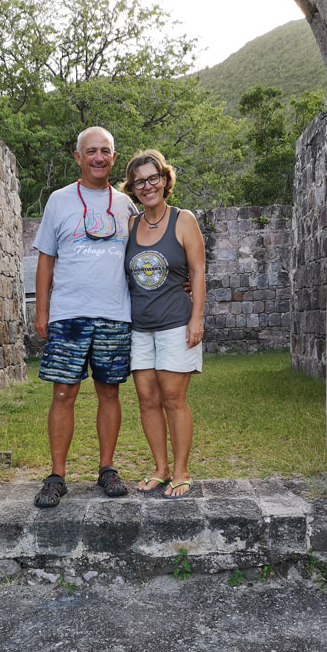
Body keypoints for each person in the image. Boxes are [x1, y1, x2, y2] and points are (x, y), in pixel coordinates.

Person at [32, 126, 138, 507]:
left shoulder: (127, 204)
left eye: (105, 151)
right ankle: (57, 475)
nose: (98, 157)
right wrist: (41, 309)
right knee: (63, 393)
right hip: (69, 315)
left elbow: (145, 255)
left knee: (109, 392)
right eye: (90, 151)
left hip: (115, 313)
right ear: (78, 157)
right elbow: (46, 260)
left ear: (113, 156)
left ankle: (107, 468)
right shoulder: (59, 202)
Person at [121, 150, 205, 498]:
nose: (147, 185)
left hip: (175, 322)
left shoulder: (183, 220)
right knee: (146, 398)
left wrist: (197, 318)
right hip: (139, 326)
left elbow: (198, 271)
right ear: (133, 188)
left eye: (153, 177)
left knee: (173, 397)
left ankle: (182, 471)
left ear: (165, 180)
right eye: (139, 181)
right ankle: (160, 468)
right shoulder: (130, 225)